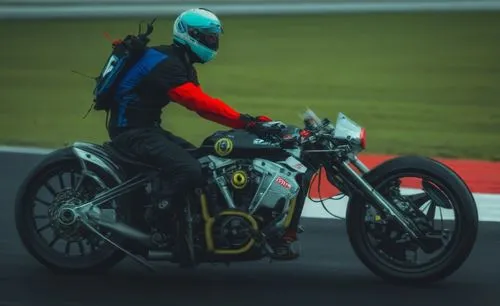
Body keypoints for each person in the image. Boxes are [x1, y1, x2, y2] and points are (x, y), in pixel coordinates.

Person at [107, 8, 301, 260]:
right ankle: (158, 219)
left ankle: (190, 226)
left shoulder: (180, 62)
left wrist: (250, 122)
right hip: (131, 133)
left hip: (146, 129)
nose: (214, 42)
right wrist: (249, 123)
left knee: (204, 163)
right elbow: (199, 103)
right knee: (188, 170)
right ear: (191, 35)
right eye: (209, 37)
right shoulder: (166, 63)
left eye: (215, 37)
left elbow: (205, 108)